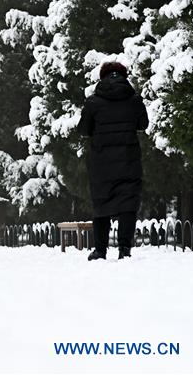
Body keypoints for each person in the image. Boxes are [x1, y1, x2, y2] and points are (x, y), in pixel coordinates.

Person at [78, 62, 149, 261]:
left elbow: (83, 130)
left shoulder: (93, 102)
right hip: (129, 159)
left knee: (102, 203)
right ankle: (124, 248)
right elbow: (143, 124)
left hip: (101, 163)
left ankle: (100, 250)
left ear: (103, 77)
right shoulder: (134, 100)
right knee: (128, 203)